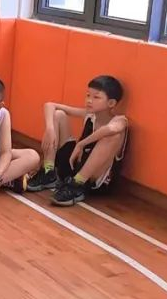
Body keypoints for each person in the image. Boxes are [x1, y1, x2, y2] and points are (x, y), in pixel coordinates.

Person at [27, 75, 129, 206]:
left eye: (96, 97)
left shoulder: (120, 121)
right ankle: (48, 171)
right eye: (88, 95)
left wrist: (81, 143)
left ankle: (77, 184)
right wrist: (50, 129)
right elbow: (50, 105)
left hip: (94, 182)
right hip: (73, 170)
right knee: (58, 114)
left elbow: (110, 129)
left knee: (112, 136)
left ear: (111, 103)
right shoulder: (90, 115)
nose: (89, 100)